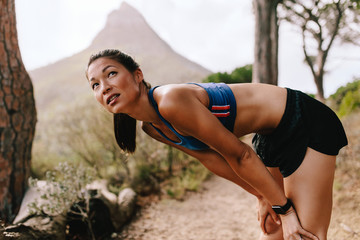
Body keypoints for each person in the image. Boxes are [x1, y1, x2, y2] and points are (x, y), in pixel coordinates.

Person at [86, 49, 348, 240]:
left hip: (301, 120)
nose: (104, 87)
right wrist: (262, 195)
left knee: (305, 235)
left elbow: (240, 155)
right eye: (95, 84)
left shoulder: (170, 101)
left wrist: (285, 208)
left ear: (137, 75)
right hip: (269, 137)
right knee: (273, 232)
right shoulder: (152, 128)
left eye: (111, 74)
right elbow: (211, 159)